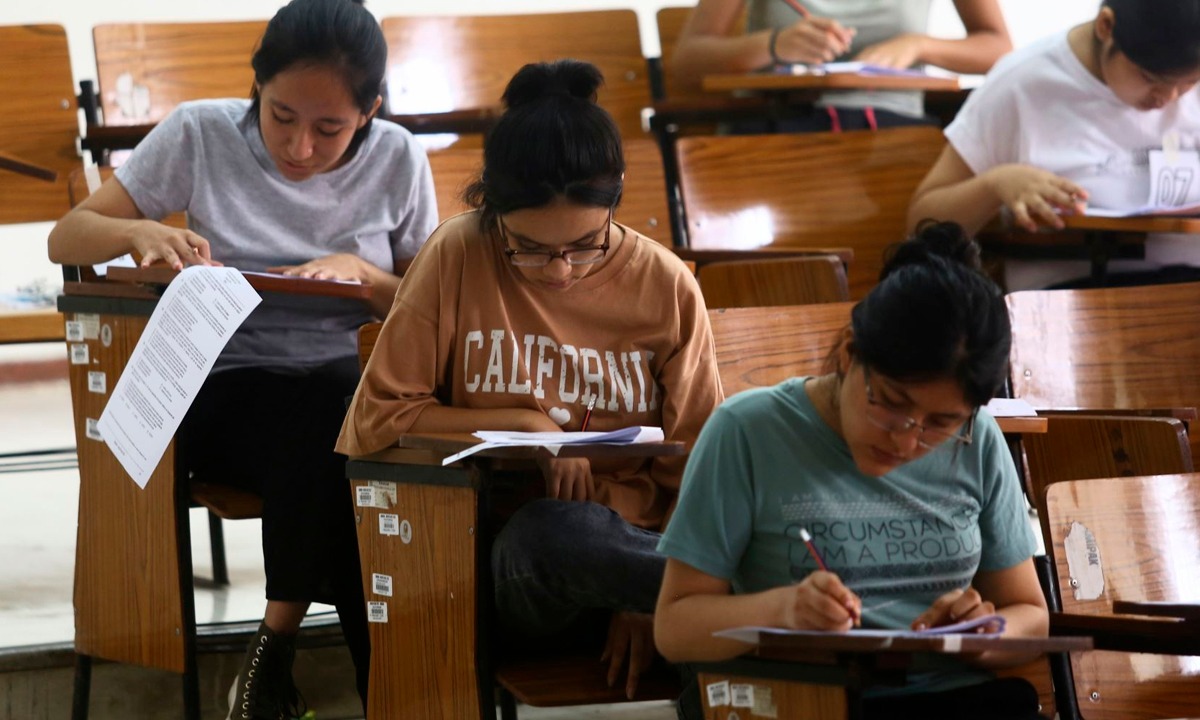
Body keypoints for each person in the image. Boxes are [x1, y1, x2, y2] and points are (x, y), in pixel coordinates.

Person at [47, 0, 438, 717]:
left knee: (347, 433)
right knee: (342, 437)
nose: (299, 147)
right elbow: (67, 237)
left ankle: (281, 662)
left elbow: (429, 305)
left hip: (349, 400)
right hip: (222, 391)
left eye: (330, 128)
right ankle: (377, 690)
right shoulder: (201, 132)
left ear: (371, 111)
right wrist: (138, 229)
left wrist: (368, 279)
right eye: (281, 115)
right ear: (256, 83)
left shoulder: (398, 158)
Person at [337, 59, 724, 700]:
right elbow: (378, 420)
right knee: (552, 533)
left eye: (584, 244)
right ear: (491, 207)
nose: (560, 271)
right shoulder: (457, 254)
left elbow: (701, 466)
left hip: (642, 558)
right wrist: (528, 427)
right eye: (529, 247)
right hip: (516, 569)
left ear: (617, 198)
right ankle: (736, 595)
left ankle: (696, 597)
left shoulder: (665, 283)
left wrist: (646, 599)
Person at [655, 223, 1049, 720]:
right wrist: (783, 610)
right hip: (813, 702)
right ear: (848, 352)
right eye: (891, 405)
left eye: (942, 424)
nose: (907, 440)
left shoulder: (979, 440)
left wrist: (984, 636)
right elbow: (675, 627)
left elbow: (1030, 617)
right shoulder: (747, 431)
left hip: (959, 699)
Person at [908, 0, 1200, 290]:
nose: (1170, 98)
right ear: (1105, 26)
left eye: (1188, 82)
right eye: (1150, 79)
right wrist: (994, 185)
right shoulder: (1021, 84)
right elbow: (920, 226)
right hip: (1070, 300)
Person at [669, 0, 1012, 131]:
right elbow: (686, 65)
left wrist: (919, 45)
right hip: (774, 127)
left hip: (893, 130)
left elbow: (998, 48)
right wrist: (773, 45)